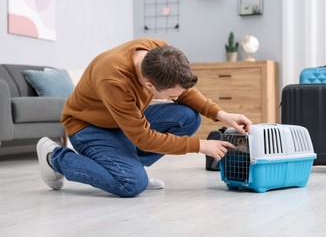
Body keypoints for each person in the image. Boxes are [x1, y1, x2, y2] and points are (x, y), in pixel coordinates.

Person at [36, 38, 252, 197]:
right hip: (88, 126)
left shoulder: (158, 53)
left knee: (188, 117)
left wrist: (221, 115)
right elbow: (142, 137)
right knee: (131, 184)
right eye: (171, 96)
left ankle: (127, 165)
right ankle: (55, 157)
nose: (177, 98)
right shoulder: (114, 79)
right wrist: (200, 145)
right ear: (149, 85)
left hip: (124, 119)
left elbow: (182, 90)